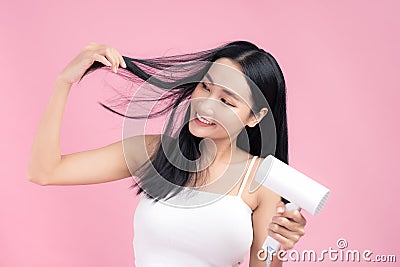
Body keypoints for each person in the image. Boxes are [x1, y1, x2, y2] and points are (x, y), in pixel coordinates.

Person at [27, 41, 307, 267]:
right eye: (205, 87)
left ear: (255, 117)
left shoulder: (263, 182)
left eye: (226, 101)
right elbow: (45, 172)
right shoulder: (152, 151)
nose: (206, 106)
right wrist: (63, 82)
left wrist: (276, 244)